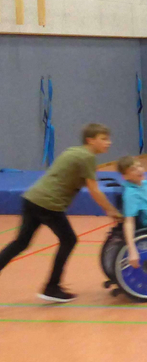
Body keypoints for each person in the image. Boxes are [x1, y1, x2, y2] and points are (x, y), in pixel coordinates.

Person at [0, 123, 122, 302]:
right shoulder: (87, 157)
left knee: (21, 242)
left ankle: (52, 286)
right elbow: (94, 190)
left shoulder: (74, 151)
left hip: (32, 198)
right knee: (69, 240)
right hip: (48, 204)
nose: (108, 143)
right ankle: (52, 287)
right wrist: (111, 210)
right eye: (103, 139)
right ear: (90, 140)